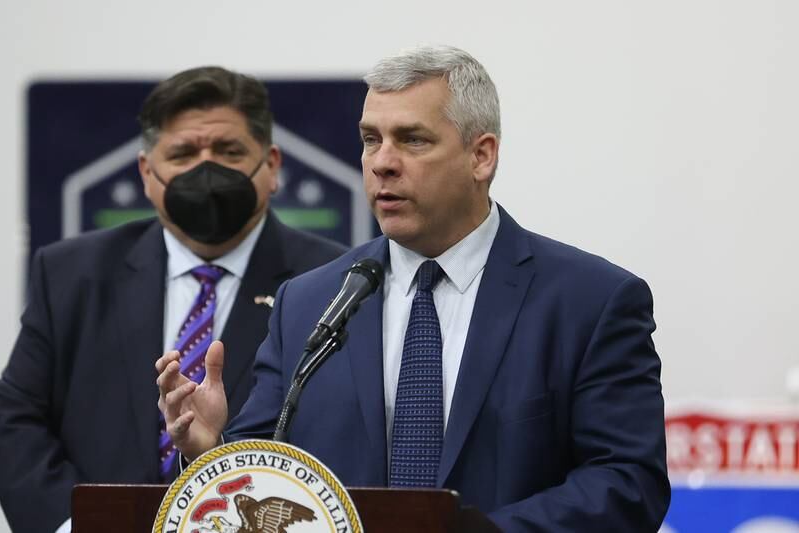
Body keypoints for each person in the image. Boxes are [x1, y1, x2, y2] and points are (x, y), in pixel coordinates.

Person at [157, 47, 670, 532]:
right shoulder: (308, 304)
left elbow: (627, 482)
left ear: (481, 156)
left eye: (413, 140)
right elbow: (269, 472)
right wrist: (211, 450)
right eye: (370, 140)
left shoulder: (591, 302)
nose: (382, 162)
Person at [0, 66, 346, 533]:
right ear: (147, 172)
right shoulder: (70, 274)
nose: (206, 170)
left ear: (272, 166)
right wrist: (73, 524)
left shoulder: (336, 284)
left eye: (229, 151)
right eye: (183, 152)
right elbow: (15, 419)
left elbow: (346, 440)